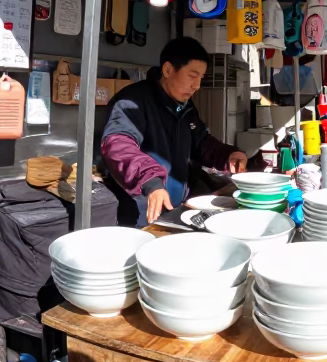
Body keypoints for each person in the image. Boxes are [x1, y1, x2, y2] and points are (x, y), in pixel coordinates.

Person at [100, 37, 248, 227]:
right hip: (141, 212)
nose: (197, 86)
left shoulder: (184, 106)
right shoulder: (133, 101)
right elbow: (118, 146)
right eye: (192, 76)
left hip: (176, 209)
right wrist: (151, 182)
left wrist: (228, 155)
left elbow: (201, 143)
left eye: (201, 78)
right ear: (168, 70)